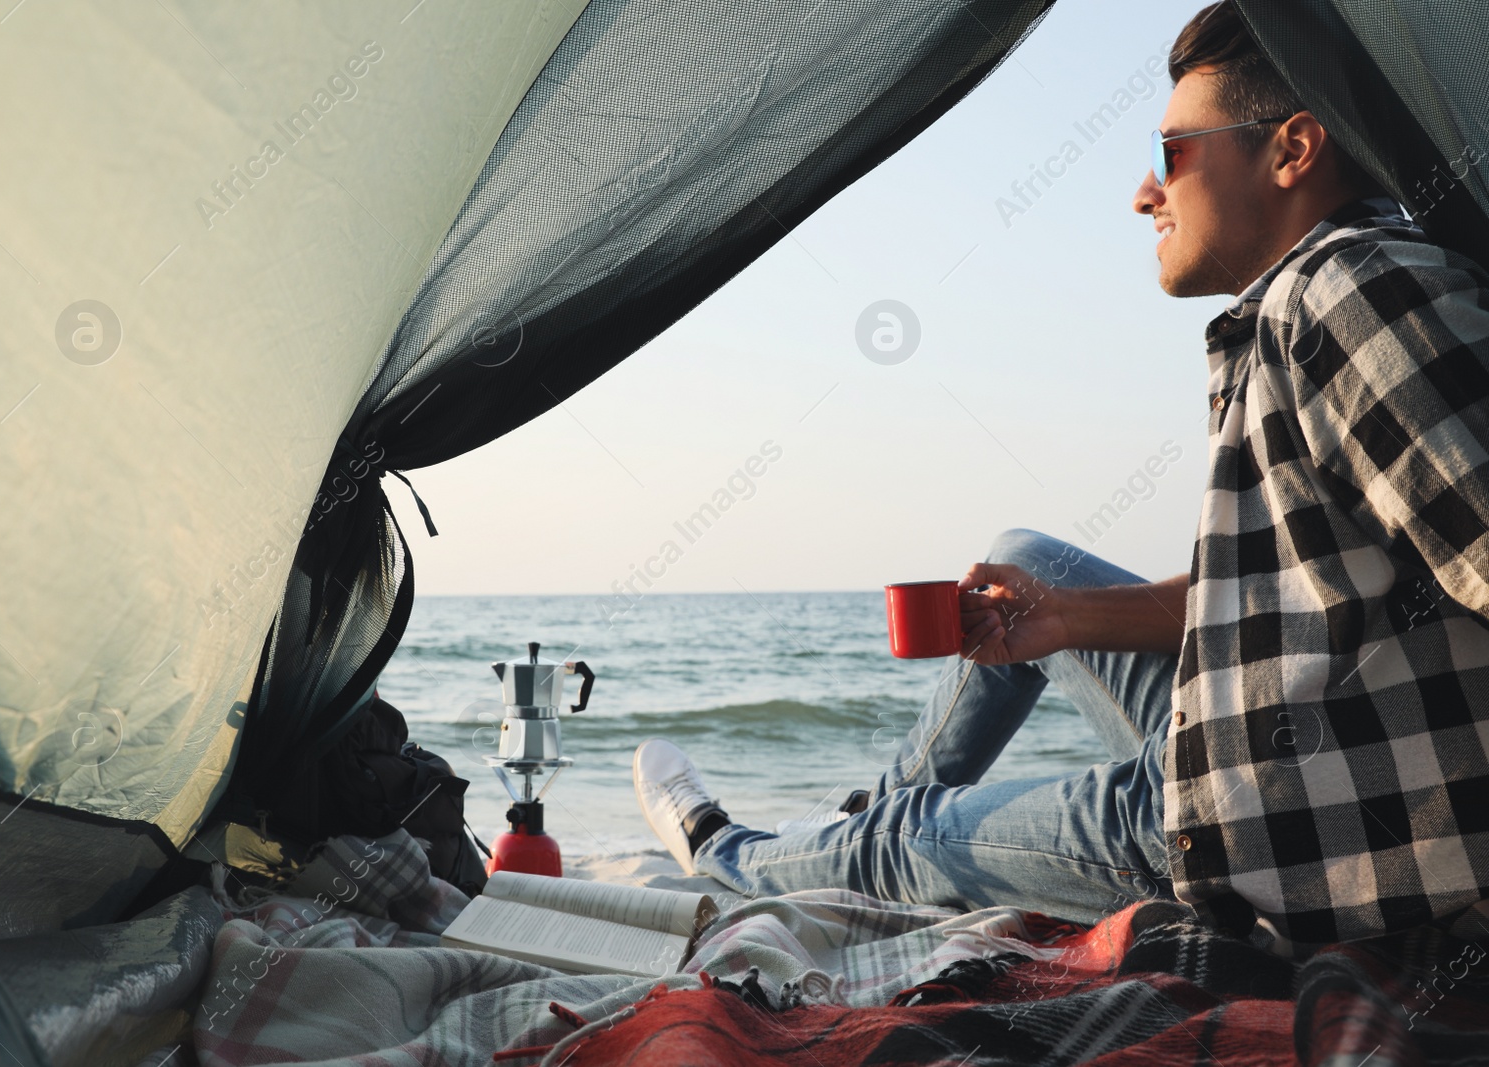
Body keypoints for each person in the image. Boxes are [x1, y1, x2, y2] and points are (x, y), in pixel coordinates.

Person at [633, 0, 1489, 955]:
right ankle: (857, 831)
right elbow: (1256, 601)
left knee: (914, 839)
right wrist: (1064, 618)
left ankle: (730, 852)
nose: (1142, 194)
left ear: (1292, 151)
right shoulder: (1303, 306)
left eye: (1172, 154)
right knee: (1021, 556)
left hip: (1276, 824)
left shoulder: (1353, 292)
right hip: (1261, 739)